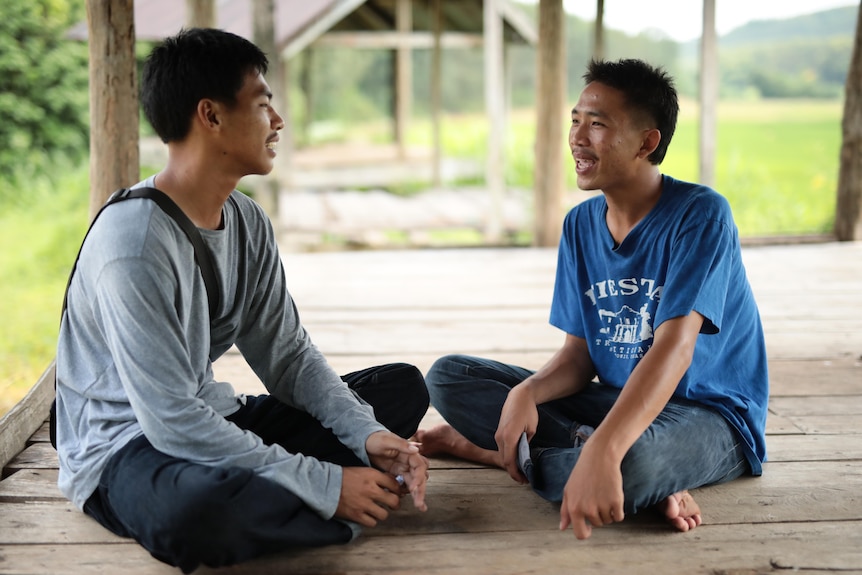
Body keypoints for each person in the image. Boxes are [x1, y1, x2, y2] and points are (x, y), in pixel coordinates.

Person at [54, 28, 429, 573]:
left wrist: (369, 436)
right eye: (262, 104)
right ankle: (324, 501)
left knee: (397, 390)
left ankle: (294, 496)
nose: (277, 122)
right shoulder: (133, 244)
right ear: (211, 116)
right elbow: (171, 422)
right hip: (127, 446)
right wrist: (324, 483)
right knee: (196, 512)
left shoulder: (247, 220)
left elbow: (289, 358)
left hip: (212, 417)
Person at [417, 58, 768, 539]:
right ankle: (592, 460)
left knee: (635, 463)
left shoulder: (701, 215)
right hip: (616, 402)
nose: (578, 138)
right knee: (450, 377)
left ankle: (498, 452)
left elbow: (675, 349)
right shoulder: (580, 226)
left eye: (598, 124)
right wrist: (528, 392)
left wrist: (607, 451)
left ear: (648, 142)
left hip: (709, 416)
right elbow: (579, 357)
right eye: (576, 120)